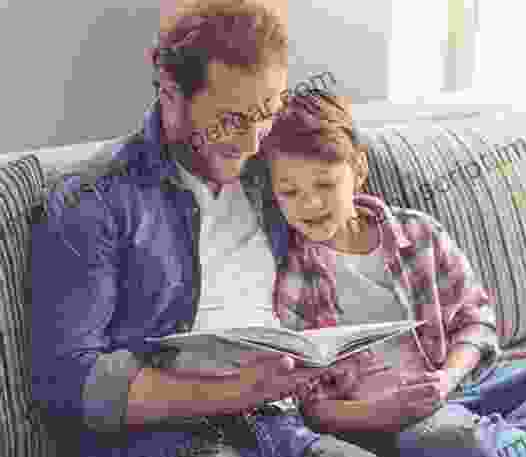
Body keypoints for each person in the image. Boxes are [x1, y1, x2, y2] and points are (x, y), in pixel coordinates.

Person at [29, 2, 383, 457]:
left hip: (280, 426)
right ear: (170, 93)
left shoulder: (271, 171)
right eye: (233, 120)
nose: (255, 141)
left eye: (268, 111)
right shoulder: (95, 201)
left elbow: (351, 208)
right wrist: (239, 390)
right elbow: (68, 383)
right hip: (166, 439)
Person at [259, 90, 526, 457]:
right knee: (438, 439)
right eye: (290, 193)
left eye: (325, 184)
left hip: (471, 383)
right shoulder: (291, 278)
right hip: (402, 421)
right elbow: (308, 403)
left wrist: (446, 380)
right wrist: (378, 412)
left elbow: (478, 322)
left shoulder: (418, 233)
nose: (310, 203)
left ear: (358, 169)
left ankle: (513, 443)